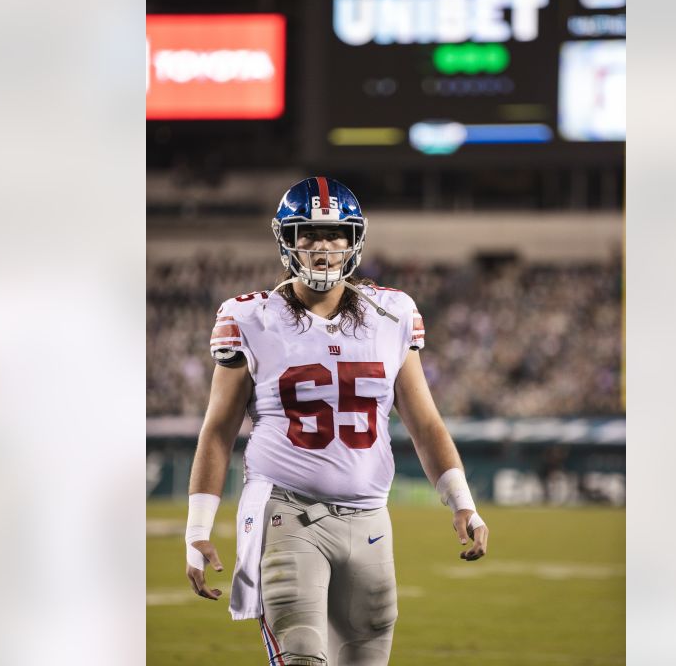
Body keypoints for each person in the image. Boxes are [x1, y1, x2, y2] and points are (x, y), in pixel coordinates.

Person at [183, 176, 490, 666]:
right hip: (287, 512)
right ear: (287, 240)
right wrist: (198, 527)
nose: (323, 248)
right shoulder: (250, 317)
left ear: (354, 241)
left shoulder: (392, 313)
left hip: (370, 518)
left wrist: (461, 502)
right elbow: (218, 430)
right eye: (309, 234)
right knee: (301, 650)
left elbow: (425, 421)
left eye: (336, 235)